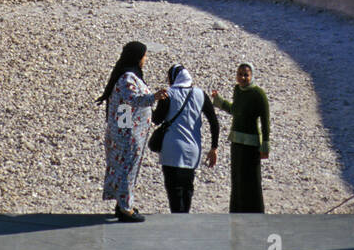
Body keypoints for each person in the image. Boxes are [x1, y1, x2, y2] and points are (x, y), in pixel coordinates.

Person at [97, 41, 166, 223]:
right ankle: (125, 208)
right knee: (127, 168)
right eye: (144, 55)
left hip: (127, 130)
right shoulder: (128, 77)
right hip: (127, 134)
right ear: (137, 57)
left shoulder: (130, 75)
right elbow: (131, 99)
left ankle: (123, 204)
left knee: (125, 168)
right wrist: (154, 97)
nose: (146, 59)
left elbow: (123, 107)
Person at [151, 64, 220, 214]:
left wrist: (149, 103)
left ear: (172, 78)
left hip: (171, 150)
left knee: (174, 191)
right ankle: (185, 222)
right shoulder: (200, 94)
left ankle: (177, 226)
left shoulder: (168, 94)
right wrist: (214, 147)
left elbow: (156, 119)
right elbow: (213, 121)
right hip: (192, 150)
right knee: (187, 188)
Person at [210, 62, 270, 213]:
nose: (243, 77)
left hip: (251, 144)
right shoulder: (237, 90)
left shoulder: (258, 94)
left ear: (251, 76)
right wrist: (219, 101)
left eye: (246, 75)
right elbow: (235, 110)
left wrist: (265, 146)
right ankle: (237, 210)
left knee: (252, 180)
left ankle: (255, 212)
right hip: (236, 142)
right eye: (240, 74)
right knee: (237, 178)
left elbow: (265, 122)